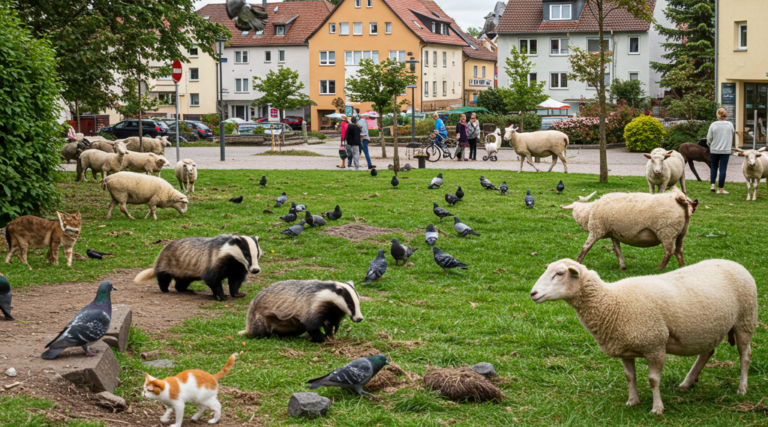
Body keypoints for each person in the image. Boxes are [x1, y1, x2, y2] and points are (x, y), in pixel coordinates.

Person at [707, 108, 735, 194]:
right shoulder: (730, 125)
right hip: (725, 150)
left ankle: (712, 185)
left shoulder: (713, 125)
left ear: (717, 115)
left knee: (714, 167)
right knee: (723, 169)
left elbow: (709, 138)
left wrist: (710, 145)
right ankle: (721, 189)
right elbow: (732, 134)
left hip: (714, 150)